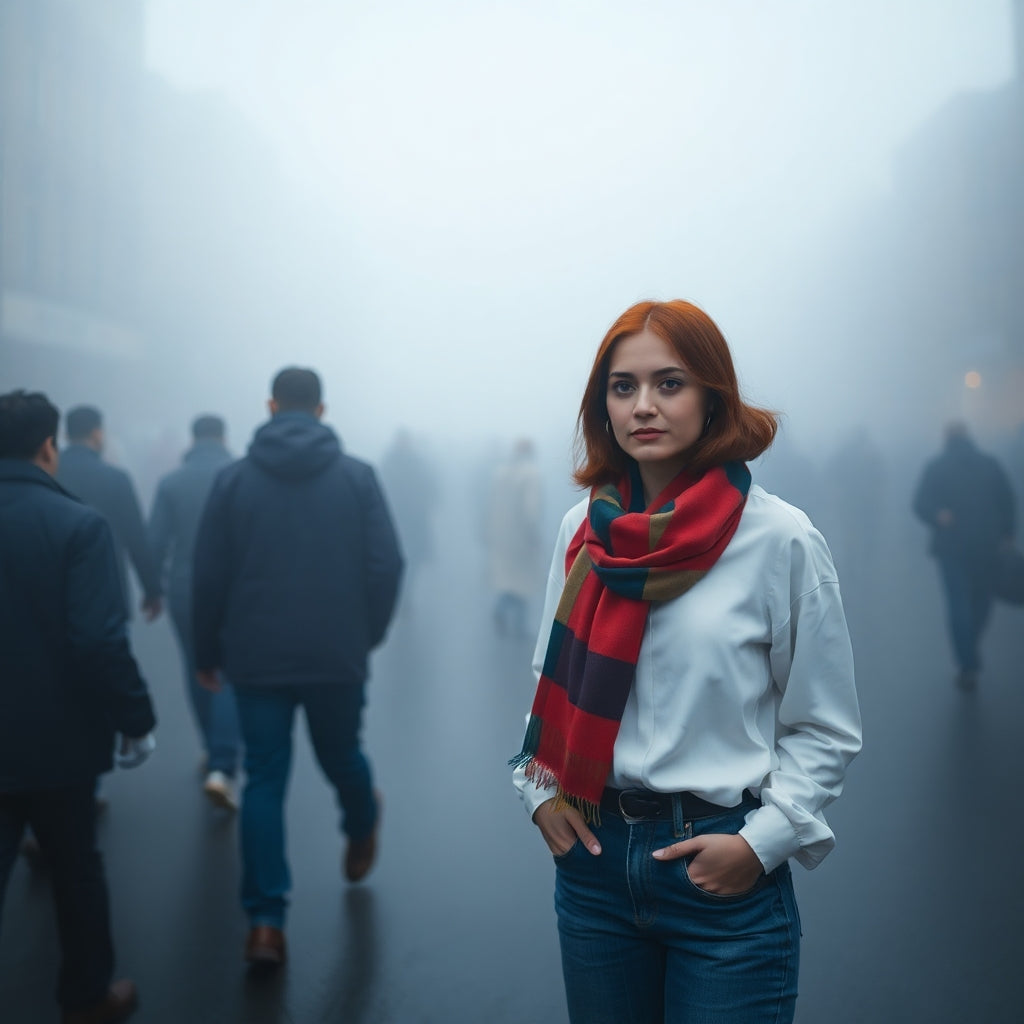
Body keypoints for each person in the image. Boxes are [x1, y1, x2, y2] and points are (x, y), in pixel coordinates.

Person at [511, 300, 862, 1024]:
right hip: (594, 871)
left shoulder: (780, 540)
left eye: (669, 384)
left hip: (720, 877)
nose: (644, 405)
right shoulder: (583, 531)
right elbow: (551, 683)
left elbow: (826, 728)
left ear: (712, 396)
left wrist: (759, 844)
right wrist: (539, 794)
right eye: (623, 386)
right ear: (602, 405)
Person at [192, 367, 403, 968]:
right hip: (337, 653)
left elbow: (208, 578)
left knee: (263, 779)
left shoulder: (233, 481)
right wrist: (367, 635)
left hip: (255, 657)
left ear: (269, 405)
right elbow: (387, 565)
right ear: (321, 410)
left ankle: (265, 923)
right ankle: (362, 824)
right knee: (342, 755)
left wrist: (207, 653)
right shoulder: (357, 478)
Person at [0, 390, 157, 1024]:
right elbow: (98, 640)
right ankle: (88, 996)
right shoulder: (78, 525)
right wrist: (136, 720)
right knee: (75, 871)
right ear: (48, 448)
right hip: (58, 741)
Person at [148, 414, 242, 809]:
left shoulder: (171, 482)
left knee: (197, 666)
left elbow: (155, 543)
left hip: (186, 589)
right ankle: (223, 764)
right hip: (236, 588)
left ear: (193, 438)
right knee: (230, 671)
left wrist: (153, 591)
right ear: (223, 437)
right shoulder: (241, 476)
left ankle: (209, 748)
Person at [912, 421, 1015, 690]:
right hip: (987, 545)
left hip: (951, 547)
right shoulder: (990, 464)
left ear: (945, 438)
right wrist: (1008, 534)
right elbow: (1008, 500)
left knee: (958, 604)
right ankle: (971, 644)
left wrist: (937, 515)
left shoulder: (937, 467)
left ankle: (967, 661)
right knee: (982, 601)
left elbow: (920, 503)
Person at [58, 405, 163, 623]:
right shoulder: (116, 478)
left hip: (56, 584)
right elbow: (136, 538)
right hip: (107, 585)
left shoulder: (48, 475)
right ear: (98, 434)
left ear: (66, 435)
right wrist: (152, 590)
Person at [484, 437, 544, 638]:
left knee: (508, 577)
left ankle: (502, 609)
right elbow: (531, 508)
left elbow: (492, 504)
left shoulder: (500, 473)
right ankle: (518, 624)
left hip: (502, 534)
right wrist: (533, 533)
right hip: (521, 535)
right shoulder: (531, 474)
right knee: (524, 580)